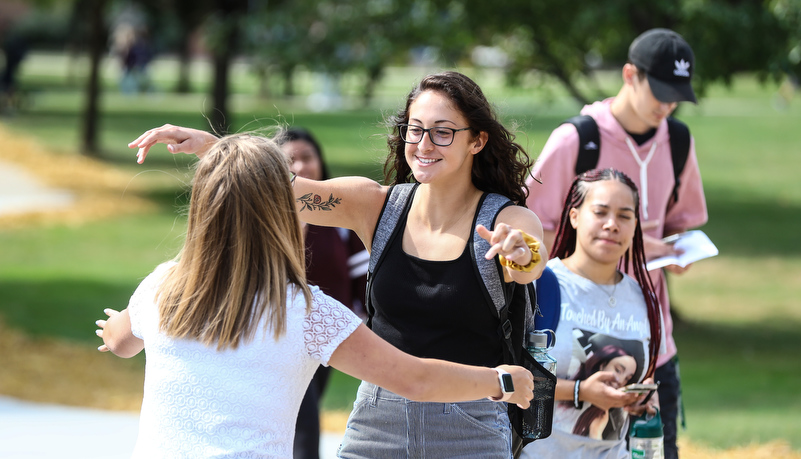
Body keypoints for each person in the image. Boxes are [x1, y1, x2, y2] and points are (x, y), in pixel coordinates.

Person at [128, 71, 547, 458]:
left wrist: (522, 253)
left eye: (442, 133)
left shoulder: (505, 221)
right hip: (377, 420)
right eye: (415, 130)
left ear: (477, 141)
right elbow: (278, 187)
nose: (423, 145)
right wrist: (213, 147)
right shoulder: (375, 205)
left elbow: (530, 264)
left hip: (471, 423)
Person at [525, 28, 708, 459]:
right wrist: (623, 241)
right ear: (630, 75)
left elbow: (684, 220)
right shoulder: (577, 139)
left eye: (677, 94)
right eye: (660, 90)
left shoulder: (678, 141)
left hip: (651, 338)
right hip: (573, 338)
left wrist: (679, 251)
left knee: (655, 450)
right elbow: (528, 228)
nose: (667, 104)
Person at [521, 168, 663, 458]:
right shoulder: (541, 284)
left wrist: (640, 399)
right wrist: (580, 391)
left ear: (635, 224)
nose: (612, 225)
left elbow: (646, 377)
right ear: (574, 216)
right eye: (600, 212)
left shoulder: (643, 298)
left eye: (624, 216)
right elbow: (508, 375)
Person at [275, 127, 368, 459]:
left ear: (320, 162)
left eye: (307, 157)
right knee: (303, 409)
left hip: (332, 334)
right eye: (290, 161)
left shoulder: (341, 220)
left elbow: (363, 280)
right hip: (281, 334)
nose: (300, 167)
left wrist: (365, 327)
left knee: (298, 411)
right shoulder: (266, 221)